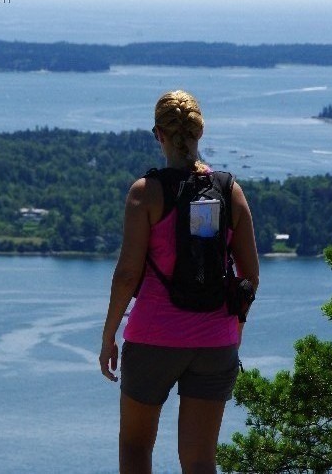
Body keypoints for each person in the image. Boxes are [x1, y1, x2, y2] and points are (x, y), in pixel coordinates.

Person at [99, 90, 259, 473]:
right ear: (199, 134)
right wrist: (233, 328)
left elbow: (126, 275)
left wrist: (109, 336)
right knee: (200, 460)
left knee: (136, 448)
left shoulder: (146, 193)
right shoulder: (229, 190)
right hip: (216, 342)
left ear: (159, 135)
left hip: (153, 337)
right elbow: (249, 277)